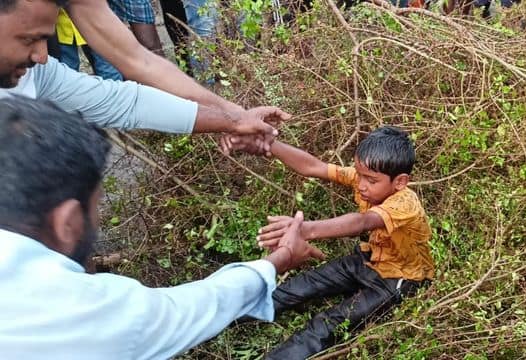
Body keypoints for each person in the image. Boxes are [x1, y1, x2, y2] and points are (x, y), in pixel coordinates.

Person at [0, 96, 326, 359]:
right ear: (68, 222)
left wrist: (236, 121)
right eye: (97, 205)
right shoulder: (85, 315)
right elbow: (194, 306)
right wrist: (282, 257)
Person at [239, 126, 434, 359]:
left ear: (400, 181)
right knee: (297, 287)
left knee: (325, 326)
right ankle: (224, 315)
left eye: (371, 180)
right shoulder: (365, 176)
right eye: (359, 175)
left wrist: (305, 229)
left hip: (398, 279)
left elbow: (362, 222)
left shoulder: (406, 204)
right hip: (367, 258)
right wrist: (269, 144)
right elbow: (313, 166)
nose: (361, 185)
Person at [0, 0, 280, 153]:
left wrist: (231, 116)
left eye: (43, 40)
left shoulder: (39, 74)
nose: (42, 56)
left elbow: (126, 97)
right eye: (28, 39)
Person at [55, 9, 123, 81]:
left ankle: (115, 91)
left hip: (94, 23)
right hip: (64, 27)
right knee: (68, 69)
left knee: (106, 67)